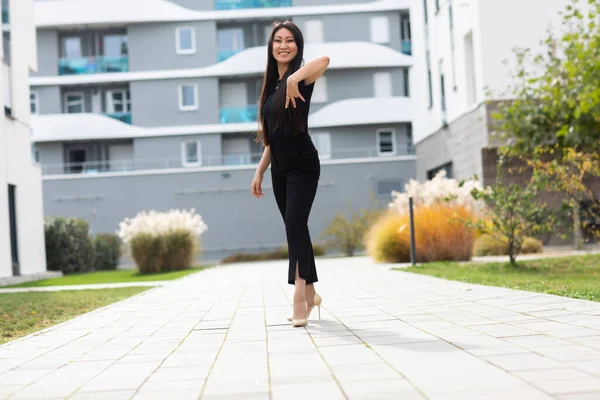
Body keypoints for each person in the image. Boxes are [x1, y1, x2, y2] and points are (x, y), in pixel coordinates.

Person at [250, 20, 330, 327]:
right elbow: (273, 139)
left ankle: (299, 296)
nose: (283, 45)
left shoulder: (303, 79)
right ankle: (312, 293)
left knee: (295, 225)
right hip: (279, 169)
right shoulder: (270, 90)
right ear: (271, 48)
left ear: (297, 46)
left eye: (290, 40)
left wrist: (295, 78)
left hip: (303, 165)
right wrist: (259, 172)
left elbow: (324, 61)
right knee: (296, 229)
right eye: (278, 40)